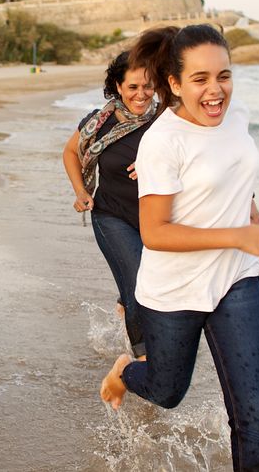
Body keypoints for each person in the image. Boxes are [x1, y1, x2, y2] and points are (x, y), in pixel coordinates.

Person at [100, 25, 259, 471]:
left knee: (255, 420)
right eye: (200, 79)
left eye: (224, 75)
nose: (216, 90)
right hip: (175, 289)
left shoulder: (238, 119)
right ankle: (125, 371)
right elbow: (156, 233)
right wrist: (236, 235)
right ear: (175, 84)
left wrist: (249, 210)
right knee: (167, 392)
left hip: (237, 279)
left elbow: (233, 168)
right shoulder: (163, 141)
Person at [63, 51, 157, 359]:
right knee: (138, 287)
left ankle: (124, 302)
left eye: (147, 86)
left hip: (157, 220)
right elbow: (71, 153)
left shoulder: (166, 122)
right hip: (111, 215)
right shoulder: (99, 121)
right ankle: (144, 360)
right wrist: (80, 191)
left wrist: (153, 163)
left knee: (154, 282)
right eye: (132, 87)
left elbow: (196, 160)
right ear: (118, 86)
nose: (141, 94)